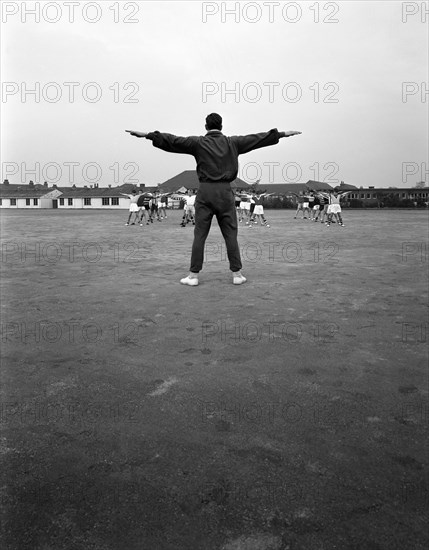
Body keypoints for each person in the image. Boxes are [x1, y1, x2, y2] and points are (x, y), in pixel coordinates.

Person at [126, 114, 301, 285]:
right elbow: (257, 139)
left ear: (206, 127)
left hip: (205, 191)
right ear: (222, 126)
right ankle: (237, 274)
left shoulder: (198, 143)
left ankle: (193, 276)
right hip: (225, 192)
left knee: (200, 234)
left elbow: (173, 141)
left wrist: (148, 135)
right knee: (230, 234)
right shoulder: (233, 142)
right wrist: (281, 134)